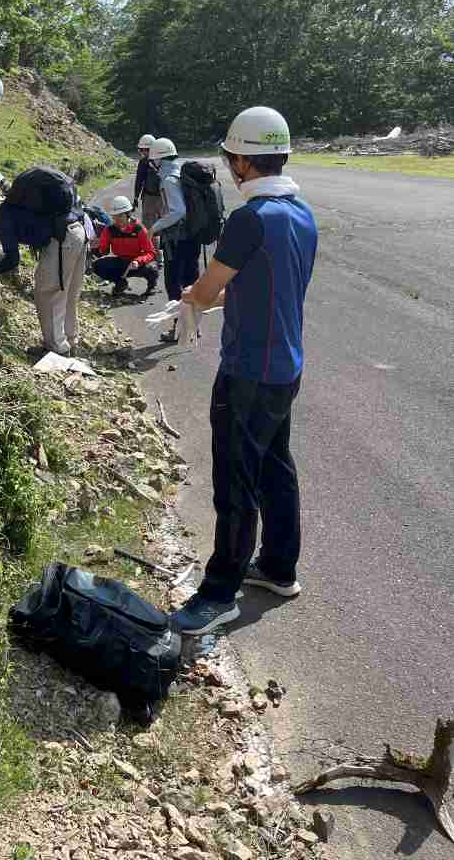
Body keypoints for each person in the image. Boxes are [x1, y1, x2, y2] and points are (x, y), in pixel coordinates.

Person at [169, 107, 318, 636]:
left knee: (235, 482)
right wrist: (209, 296)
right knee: (276, 467)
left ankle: (219, 593)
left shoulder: (249, 219)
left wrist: (191, 298)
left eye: (232, 159)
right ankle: (279, 568)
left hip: (247, 372)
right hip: (285, 369)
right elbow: (262, 287)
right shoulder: (301, 214)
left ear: (242, 162)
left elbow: (209, 290)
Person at [0, 190, 87, 357]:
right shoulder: (14, 204)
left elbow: (12, 260)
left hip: (62, 240)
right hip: (78, 232)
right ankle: (70, 340)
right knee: (67, 293)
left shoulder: (3, 214)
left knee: (46, 293)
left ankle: (57, 348)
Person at [146, 137, 201, 343]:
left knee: (173, 284)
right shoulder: (180, 174)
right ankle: (193, 327)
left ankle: (178, 330)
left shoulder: (168, 180)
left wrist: (155, 227)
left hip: (177, 240)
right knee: (190, 282)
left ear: (158, 160)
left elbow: (178, 211)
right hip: (191, 237)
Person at [92, 195, 159, 298]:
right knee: (97, 265)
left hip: (137, 262)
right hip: (121, 261)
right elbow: (103, 252)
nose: (117, 219)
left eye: (120, 216)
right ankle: (120, 283)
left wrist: (138, 261)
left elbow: (151, 252)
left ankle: (152, 286)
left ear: (128, 214)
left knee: (152, 268)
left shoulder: (138, 229)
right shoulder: (109, 230)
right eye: (115, 216)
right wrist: (98, 245)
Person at [133, 134, 164, 230]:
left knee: (160, 223)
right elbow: (139, 181)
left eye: (143, 150)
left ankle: (158, 243)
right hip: (152, 197)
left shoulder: (160, 161)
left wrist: (136, 197)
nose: (142, 152)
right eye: (141, 150)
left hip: (158, 197)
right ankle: (150, 243)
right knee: (150, 224)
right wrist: (136, 197)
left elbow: (139, 181)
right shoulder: (144, 162)